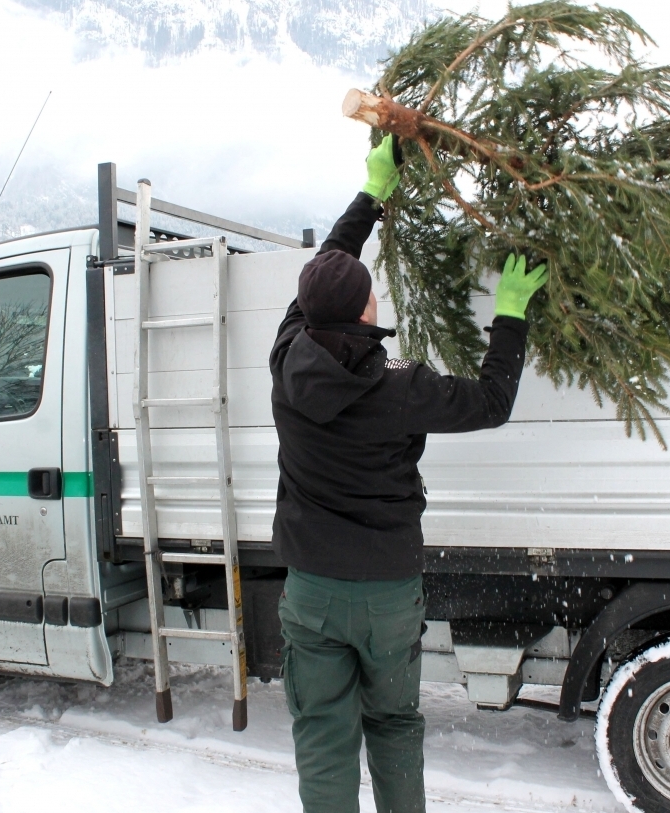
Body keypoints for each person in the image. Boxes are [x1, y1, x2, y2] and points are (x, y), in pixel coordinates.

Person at [269, 134, 548, 813]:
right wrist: (509, 313)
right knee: (393, 723)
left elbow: (329, 264)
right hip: (388, 594)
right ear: (367, 309)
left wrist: (371, 193)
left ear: (306, 313)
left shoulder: (285, 360)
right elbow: (490, 402)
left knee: (323, 732)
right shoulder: (402, 387)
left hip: (312, 591)